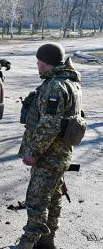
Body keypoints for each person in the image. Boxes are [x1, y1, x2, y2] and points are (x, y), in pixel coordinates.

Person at [15, 43, 83, 249]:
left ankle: (28, 244)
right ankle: (47, 241)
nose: (37, 64)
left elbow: (49, 125)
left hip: (49, 156)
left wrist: (33, 153)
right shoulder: (71, 82)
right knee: (53, 199)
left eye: (39, 60)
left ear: (46, 62)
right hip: (61, 154)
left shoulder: (54, 86)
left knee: (36, 202)